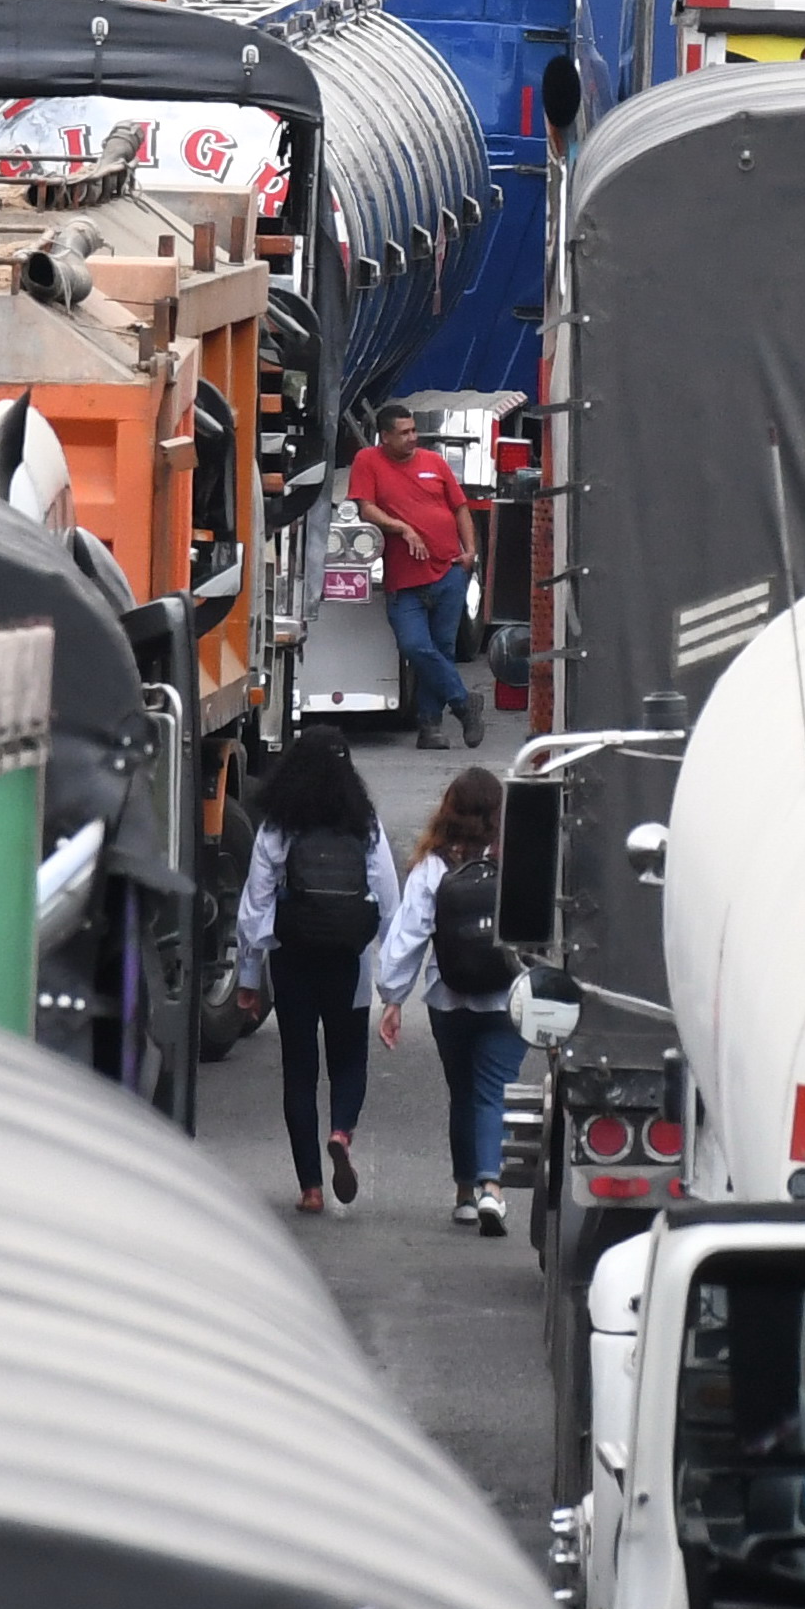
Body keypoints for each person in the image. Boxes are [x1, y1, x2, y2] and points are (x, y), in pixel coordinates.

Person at [234, 732, 400, 1215]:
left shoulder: (280, 826)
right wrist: (394, 988)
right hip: (349, 962)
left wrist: (248, 976)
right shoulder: (363, 823)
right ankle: (341, 1132)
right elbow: (389, 901)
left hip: (293, 958)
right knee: (350, 1062)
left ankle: (310, 1187)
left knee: (299, 1071)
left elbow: (254, 906)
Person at [377, 765, 526, 1237]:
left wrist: (393, 997)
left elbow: (408, 935)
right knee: (493, 1090)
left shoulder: (434, 865)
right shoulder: (517, 859)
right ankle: (491, 1186)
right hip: (506, 998)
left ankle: (465, 1193)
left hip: (448, 995)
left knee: (462, 1092)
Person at [348, 403, 489, 748]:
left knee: (441, 648)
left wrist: (470, 553)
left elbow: (460, 508)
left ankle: (430, 728)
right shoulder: (368, 461)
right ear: (384, 437)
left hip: (448, 572)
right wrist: (403, 529)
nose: (414, 437)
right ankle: (463, 702)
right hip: (405, 581)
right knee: (414, 644)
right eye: (405, 432)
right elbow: (366, 507)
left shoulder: (434, 462)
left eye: (414, 430)